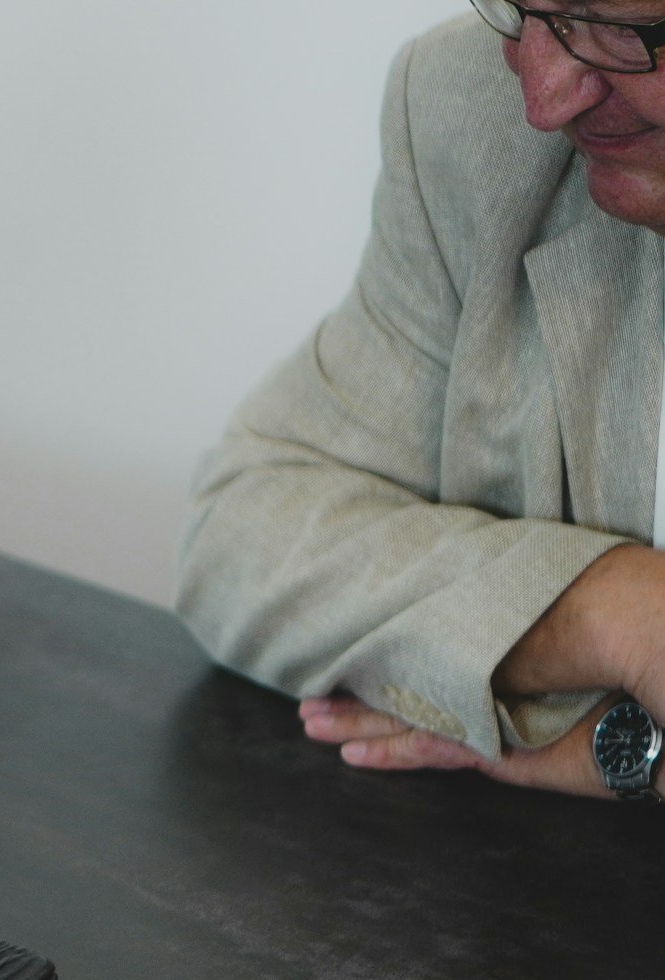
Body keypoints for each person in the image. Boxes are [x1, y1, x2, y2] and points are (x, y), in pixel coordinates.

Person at [180, 4, 665, 804]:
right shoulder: (469, 106)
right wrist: (617, 614)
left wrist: (624, 757)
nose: (542, 95)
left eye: (617, 28)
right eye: (521, 6)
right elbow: (243, 528)